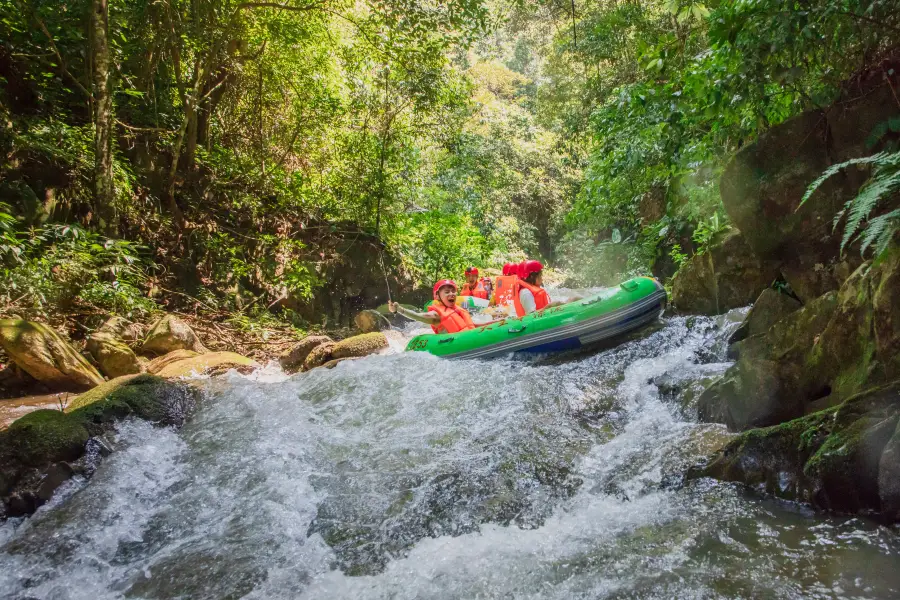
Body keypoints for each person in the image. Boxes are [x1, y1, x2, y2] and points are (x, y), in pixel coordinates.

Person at [388, 279, 475, 334]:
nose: (451, 294)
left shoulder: (458, 309)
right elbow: (418, 316)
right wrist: (399, 309)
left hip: (468, 337)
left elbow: (470, 326)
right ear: (437, 296)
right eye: (447, 292)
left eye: (453, 291)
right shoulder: (436, 314)